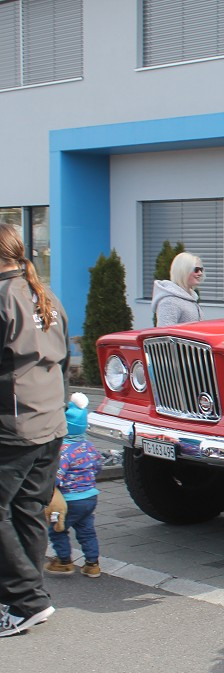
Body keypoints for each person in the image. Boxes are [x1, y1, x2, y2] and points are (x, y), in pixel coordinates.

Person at [0, 223, 68, 637]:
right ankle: (25, 600)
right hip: (49, 420)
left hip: (15, 424)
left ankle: (26, 599)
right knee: (27, 508)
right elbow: (59, 359)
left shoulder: (5, 296)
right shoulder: (42, 293)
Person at [45, 393, 103, 578]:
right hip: (89, 497)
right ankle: (92, 564)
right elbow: (97, 467)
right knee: (87, 532)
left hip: (68, 500)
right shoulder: (89, 446)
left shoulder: (63, 451)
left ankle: (64, 561)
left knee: (57, 529)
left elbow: (57, 477)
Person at [151, 251, 204, 326]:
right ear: (183, 271)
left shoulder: (191, 298)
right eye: (196, 270)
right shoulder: (169, 301)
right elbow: (165, 334)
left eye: (201, 270)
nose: (200, 273)